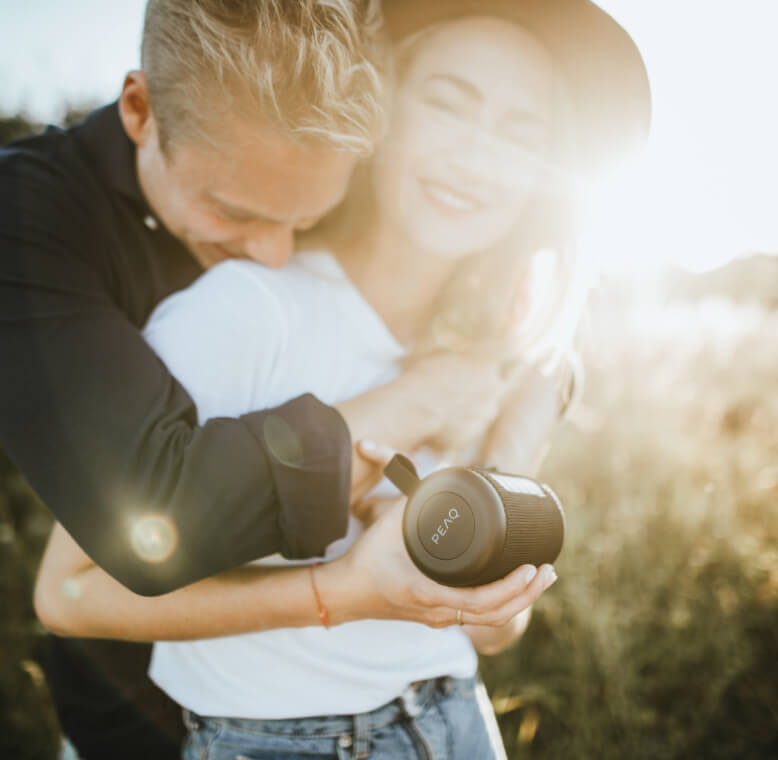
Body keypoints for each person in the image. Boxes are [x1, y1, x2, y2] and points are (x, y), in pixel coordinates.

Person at [33, 0, 651, 758]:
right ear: (380, 115)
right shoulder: (246, 309)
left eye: (524, 136)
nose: (480, 156)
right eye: (448, 104)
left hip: (456, 719)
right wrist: (348, 589)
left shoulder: (519, 348)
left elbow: (496, 632)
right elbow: (71, 588)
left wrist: (496, 511)